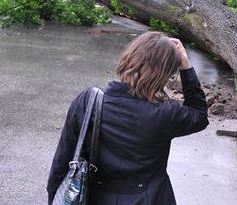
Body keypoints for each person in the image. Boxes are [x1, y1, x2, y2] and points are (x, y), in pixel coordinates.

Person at [47, 32, 209, 205]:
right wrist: (185, 66)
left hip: (97, 197)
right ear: (162, 74)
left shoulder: (89, 102)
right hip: (151, 198)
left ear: (129, 58)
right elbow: (199, 115)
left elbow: (63, 160)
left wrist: (53, 198)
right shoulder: (165, 114)